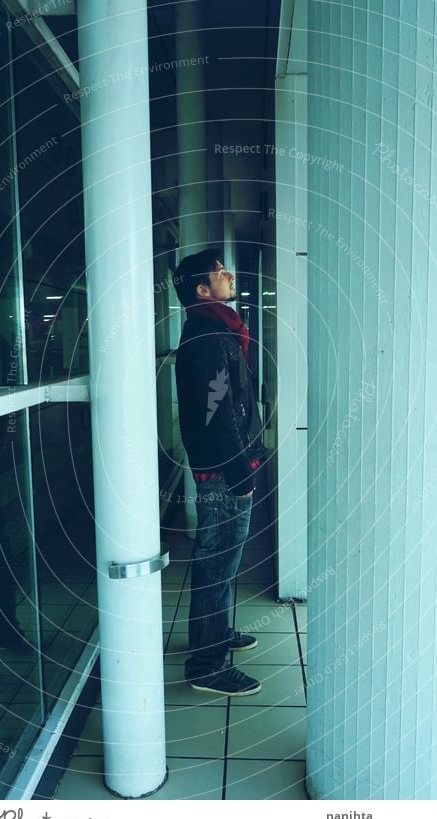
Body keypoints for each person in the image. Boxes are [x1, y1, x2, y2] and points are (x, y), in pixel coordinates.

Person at [173, 248, 267, 696]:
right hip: (224, 473)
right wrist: (241, 475)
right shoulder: (210, 337)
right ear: (202, 289)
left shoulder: (215, 330)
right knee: (216, 564)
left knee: (221, 564)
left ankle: (215, 634)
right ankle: (207, 665)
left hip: (226, 467)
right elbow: (217, 413)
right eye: (219, 272)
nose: (230, 275)